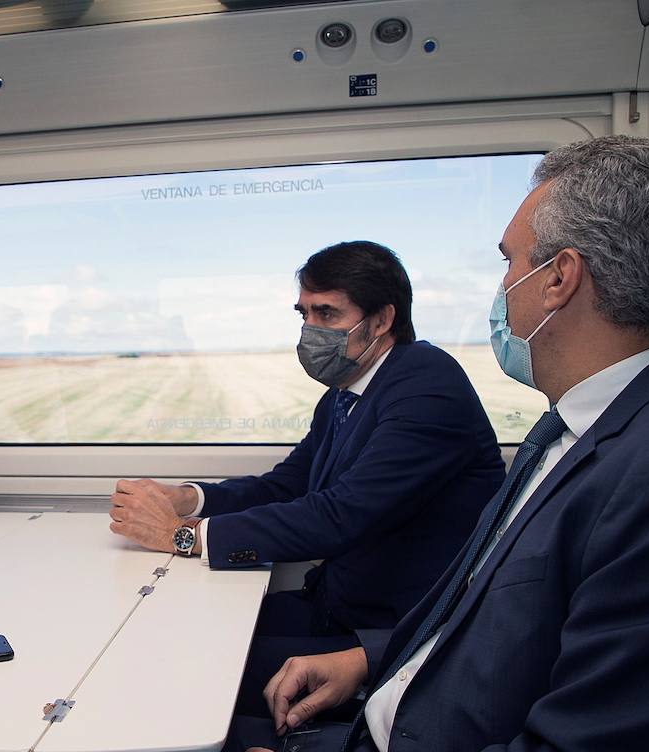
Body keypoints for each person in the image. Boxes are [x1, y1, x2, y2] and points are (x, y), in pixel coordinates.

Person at [0, 137, 649, 752]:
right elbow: (501, 614)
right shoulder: (583, 430)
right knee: (168, 750)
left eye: (507, 261)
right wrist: (365, 659)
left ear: (560, 278)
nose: (501, 287)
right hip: (402, 742)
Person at [110, 241, 503, 710]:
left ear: (381, 320)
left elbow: (340, 516)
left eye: (327, 314)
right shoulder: (345, 393)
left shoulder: (426, 381)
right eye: (304, 315)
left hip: (389, 638)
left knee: (174, 663)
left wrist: (182, 537)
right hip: (336, 608)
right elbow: (288, 484)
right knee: (169, 625)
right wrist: (189, 499)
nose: (309, 330)